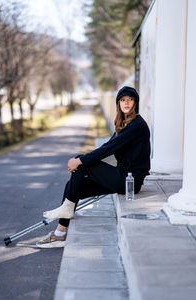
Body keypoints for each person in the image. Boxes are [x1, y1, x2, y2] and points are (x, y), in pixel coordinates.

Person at [36, 86, 151, 248]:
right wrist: (82, 159)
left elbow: (108, 150)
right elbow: (109, 145)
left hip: (129, 181)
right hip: (122, 176)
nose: (126, 103)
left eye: (130, 100)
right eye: (123, 100)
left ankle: (66, 210)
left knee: (82, 165)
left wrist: (79, 160)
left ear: (135, 103)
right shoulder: (125, 123)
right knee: (73, 186)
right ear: (118, 103)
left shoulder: (136, 125)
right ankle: (60, 233)